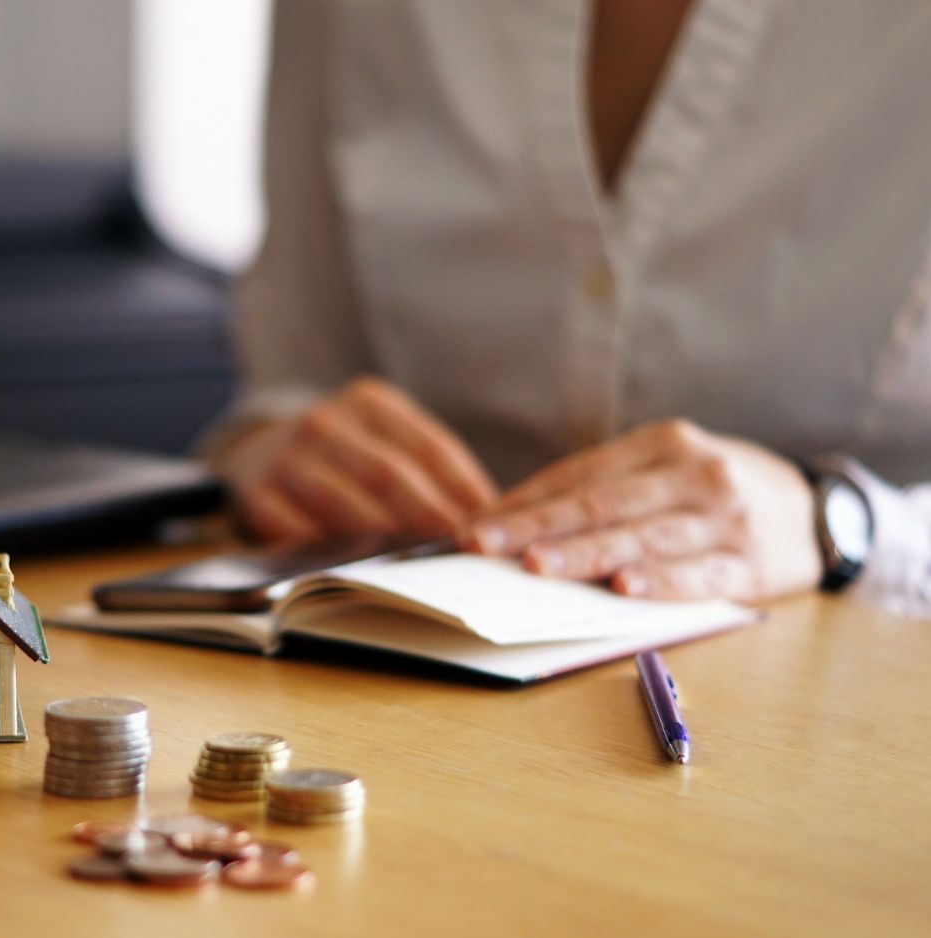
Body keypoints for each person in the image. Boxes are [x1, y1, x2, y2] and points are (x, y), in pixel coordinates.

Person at [208, 0, 931, 618]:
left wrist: (839, 524)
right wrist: (273, 451)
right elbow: (294, 377)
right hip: (400, 669)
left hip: (849, 702)